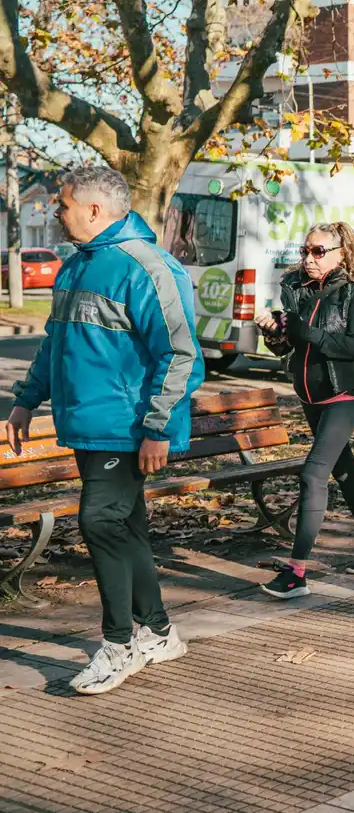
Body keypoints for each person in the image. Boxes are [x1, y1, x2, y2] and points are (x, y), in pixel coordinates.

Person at [8, 167, 205, 695]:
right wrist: (26, 401)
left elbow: (181, 355)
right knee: (125, 528)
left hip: (130, 428)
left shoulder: (150, 268)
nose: (55, 211)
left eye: (63, 203)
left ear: (95, 210)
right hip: (88, 428)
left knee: (100, 523)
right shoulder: (75, 266)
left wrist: (159, 428)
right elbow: (55, 343)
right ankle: (160, 633)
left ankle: (119, 645)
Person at [254, 222, 354, 599]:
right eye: (305, 250)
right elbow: (285, 348)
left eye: (319, 251)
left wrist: (301, 330)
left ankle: (297, 573)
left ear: (341, 254)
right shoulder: (295, 287)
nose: (309, 258)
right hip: (310, 394)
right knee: (344, 470)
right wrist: (275, 332)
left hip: (344, 394)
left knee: (313, 474)